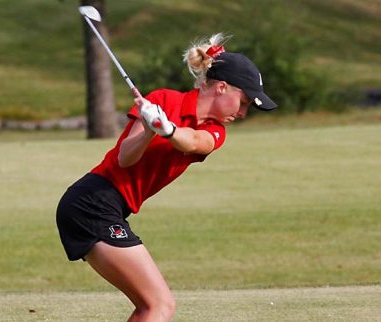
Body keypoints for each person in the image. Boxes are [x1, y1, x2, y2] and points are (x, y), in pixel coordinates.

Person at [56, 33, 276, 322]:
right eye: (244, 102)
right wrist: (149, 129)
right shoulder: (162, 100)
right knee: (159, 305)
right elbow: (125, 158)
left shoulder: (215, 131)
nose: (244, 113)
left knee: (152, 305)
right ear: (222, 87)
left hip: (110, 208)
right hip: (92, 202)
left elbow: (194, 142)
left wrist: (167, 129)